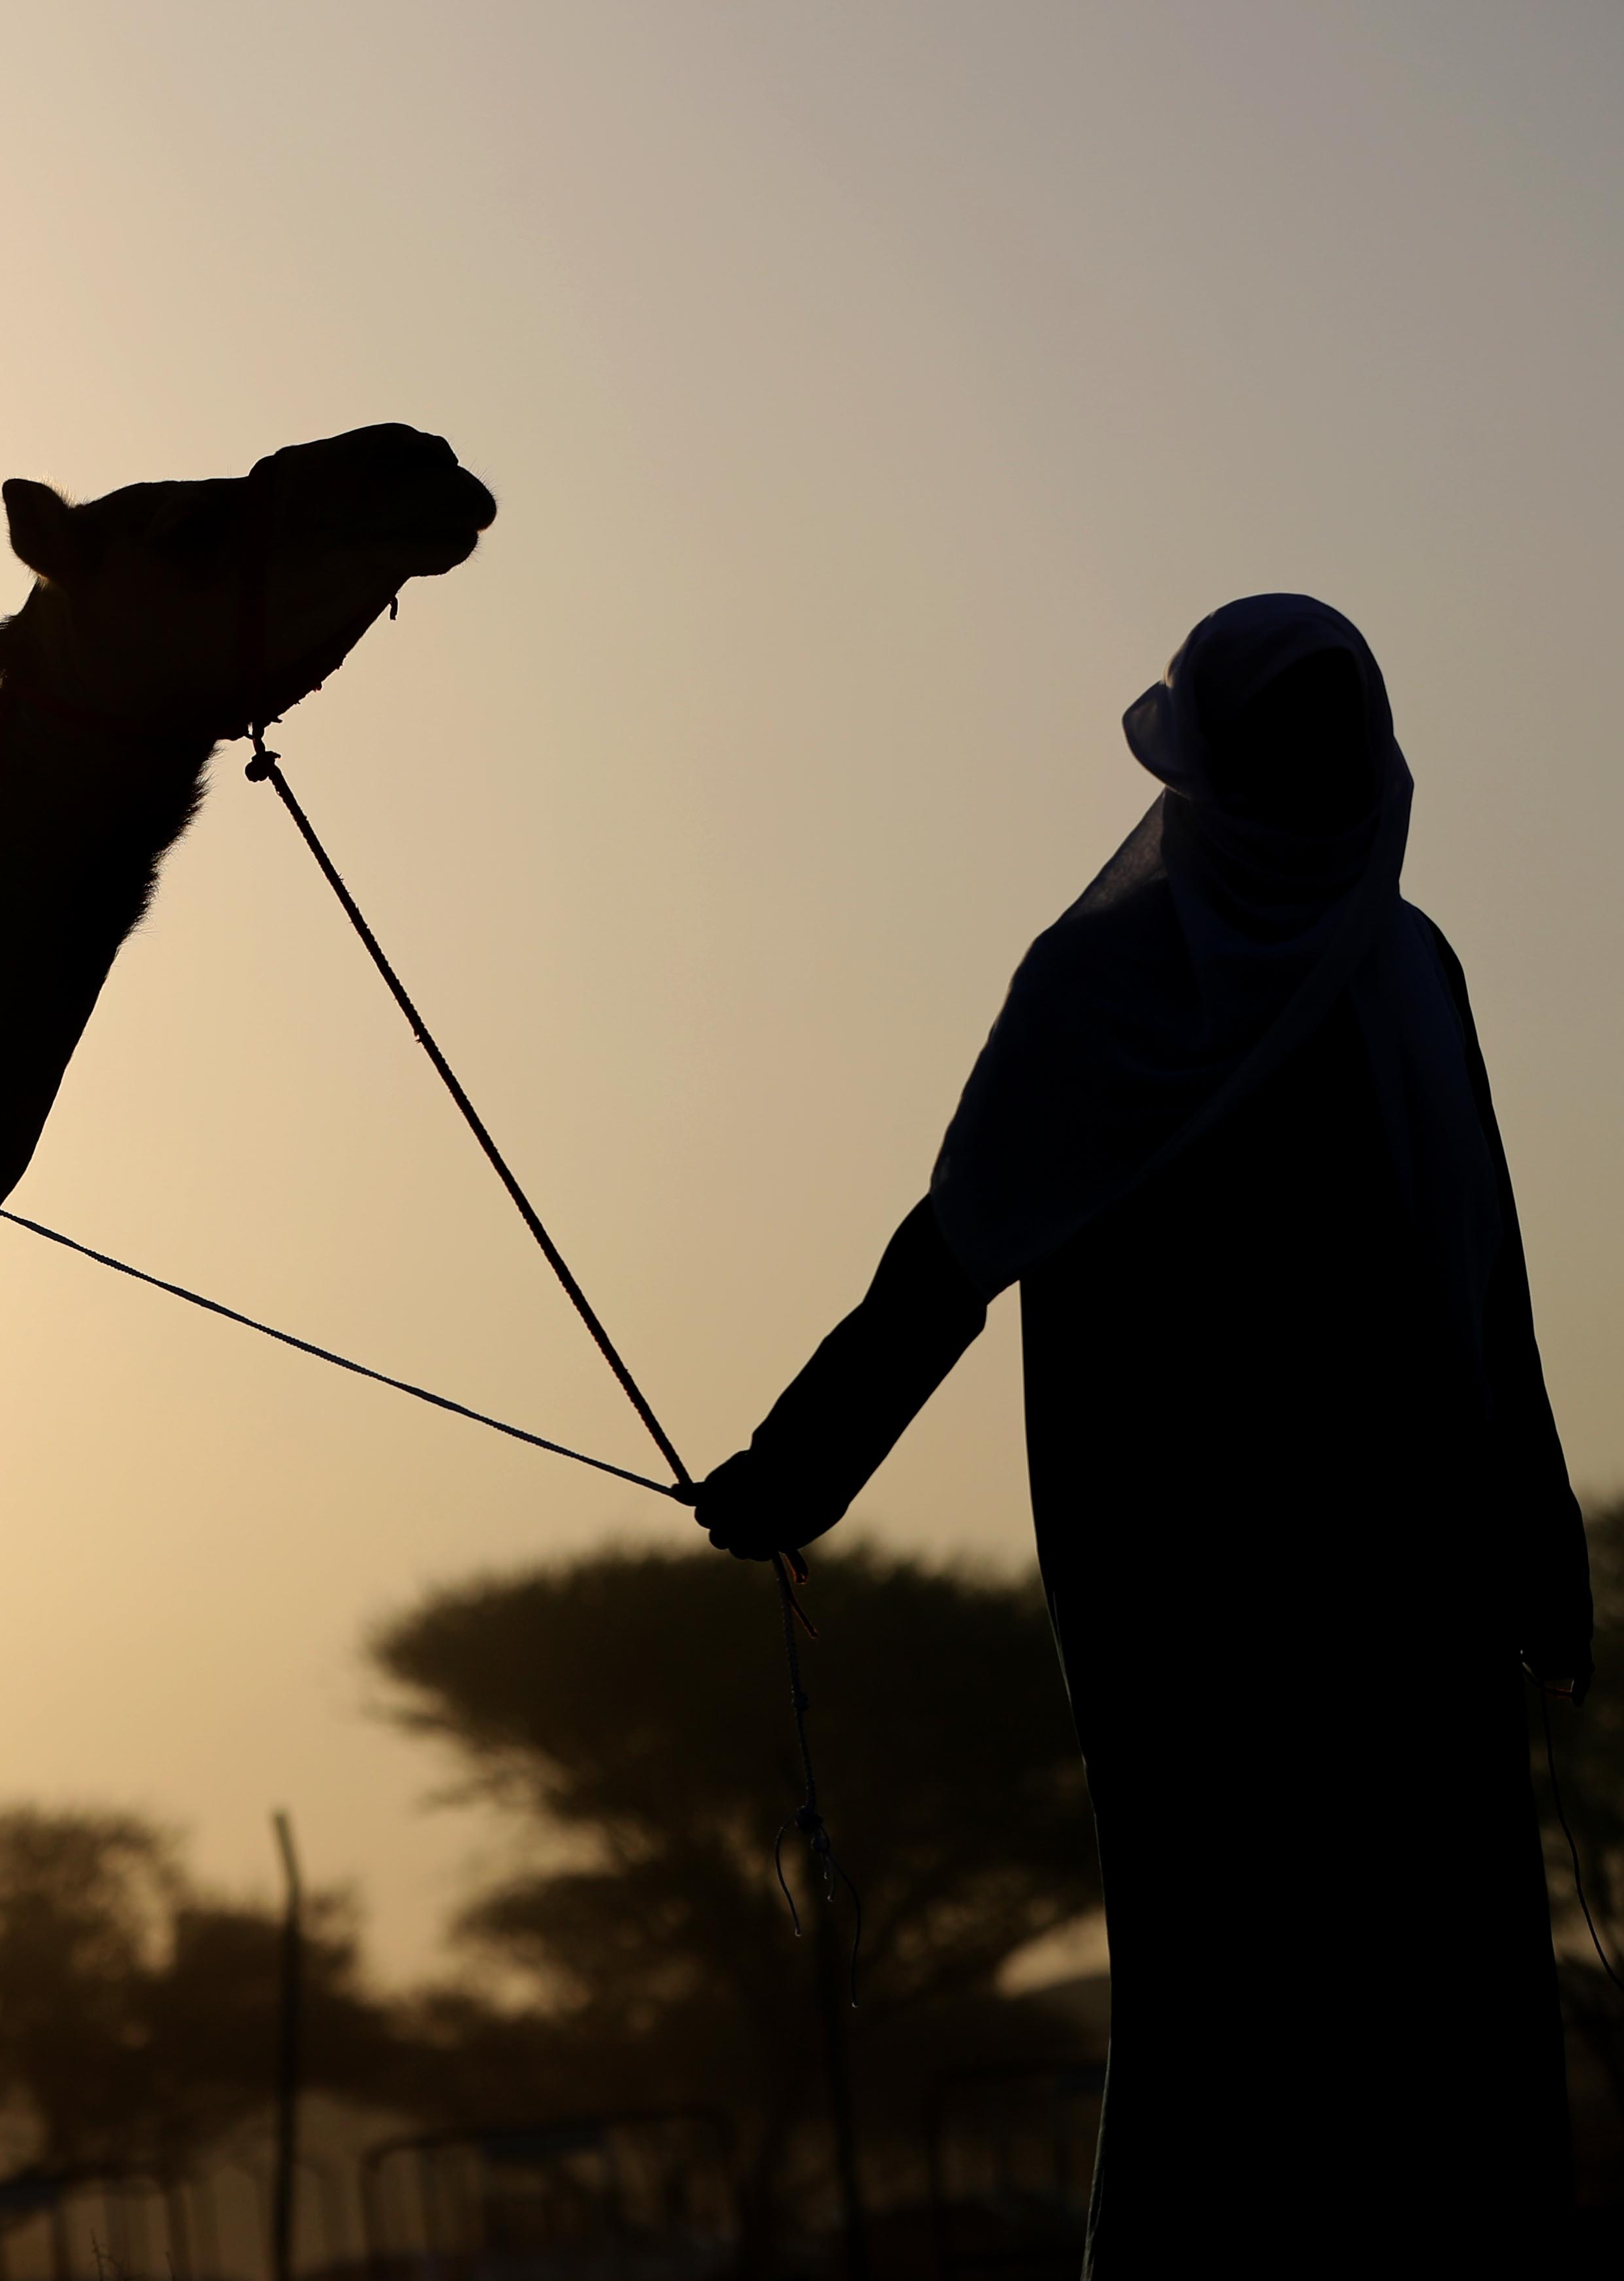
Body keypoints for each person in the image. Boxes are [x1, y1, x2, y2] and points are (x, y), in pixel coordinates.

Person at [689, 595, 1589, 2269]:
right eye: (1286, 746)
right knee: (1222, 2005)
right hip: (1192, 1615)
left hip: (1412, 1597)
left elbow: (1488, 1281)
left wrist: (1538, 1552)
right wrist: (799, 1462)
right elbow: (959, 1241)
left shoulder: (1406, 965)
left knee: (1443, 2003)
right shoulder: (1106, 984)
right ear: (1214, 761)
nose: (1318, 777)